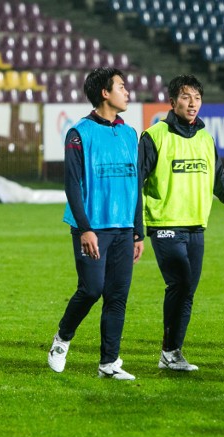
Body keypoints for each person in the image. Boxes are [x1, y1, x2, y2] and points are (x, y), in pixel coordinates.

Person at [139, 74, 224, 372]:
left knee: (187, 289)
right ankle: (169, 352)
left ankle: (172, 353)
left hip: (196, 226)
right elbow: (135, 182)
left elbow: (219, 179)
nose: (192, 104)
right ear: (173, 101)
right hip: (165, 224)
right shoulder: (154, 136)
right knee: (180, 282)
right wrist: (134, 228)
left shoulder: (206, 138)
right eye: (186, 97)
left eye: (197, 98)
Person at [47, 67, 144, 381]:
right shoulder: (79, 133)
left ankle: (109, 363)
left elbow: (135, 185)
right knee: (91, 290)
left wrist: (138, 231)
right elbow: (72, 185)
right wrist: (85, 227)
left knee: (117, 295)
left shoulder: (130, 133)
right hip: (91, 226)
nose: (127, 92)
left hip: (123, 228)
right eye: (121, 86)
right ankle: (62, 338)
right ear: (105, 92)